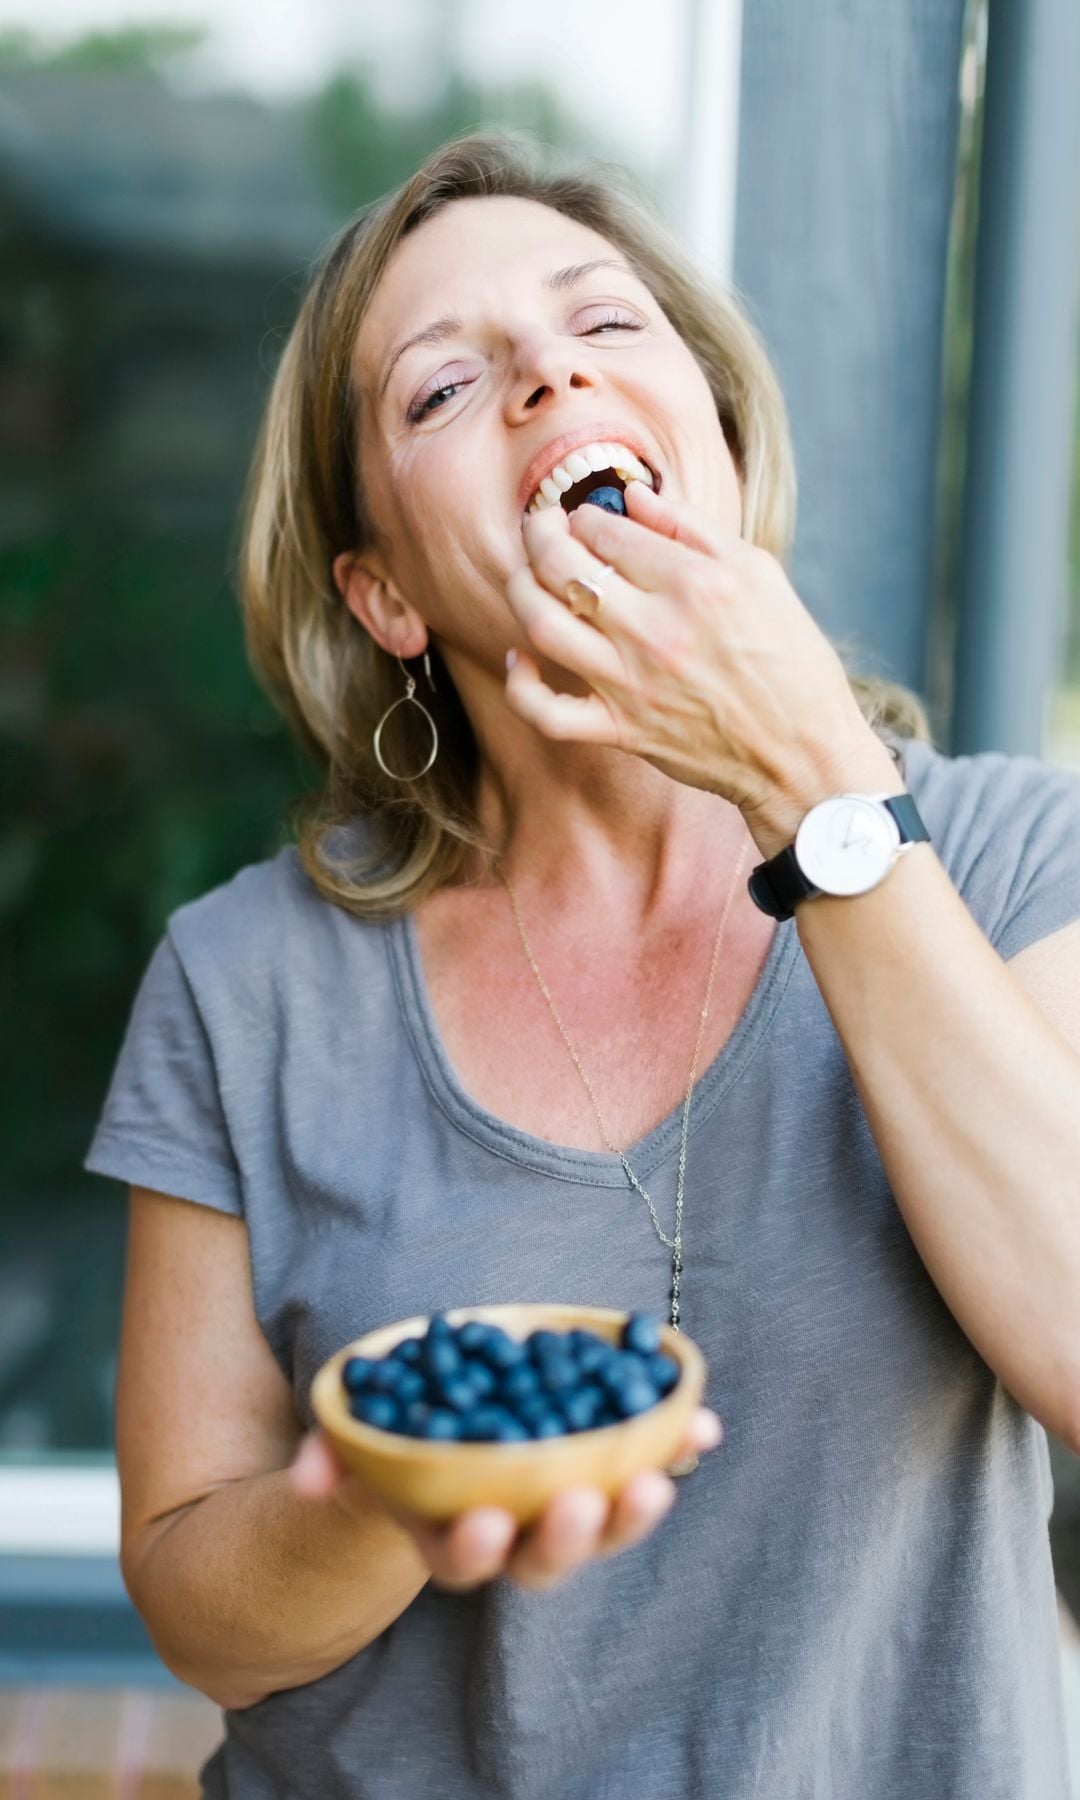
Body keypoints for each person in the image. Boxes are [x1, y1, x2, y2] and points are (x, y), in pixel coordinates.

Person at [84, 129, 1080, 1800]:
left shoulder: (1009, 861)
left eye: (604, 324)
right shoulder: (242, 986)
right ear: (386, 597)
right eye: (444, 387)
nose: (550, 375)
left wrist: (814, 787)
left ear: (717, 433)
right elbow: (203, 1618)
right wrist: (381, 1499)